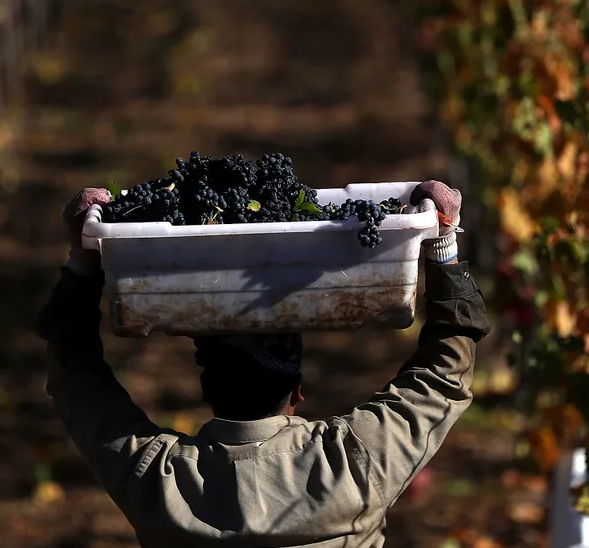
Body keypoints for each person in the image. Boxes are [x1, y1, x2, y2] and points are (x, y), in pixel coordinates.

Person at [37, 180, 490, 547]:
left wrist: (83, 260)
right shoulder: (354, 462)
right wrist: (443, 243)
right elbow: (445, 373)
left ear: (205, 388)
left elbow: (73, 368)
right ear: (296, 391)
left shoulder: (155, 480)